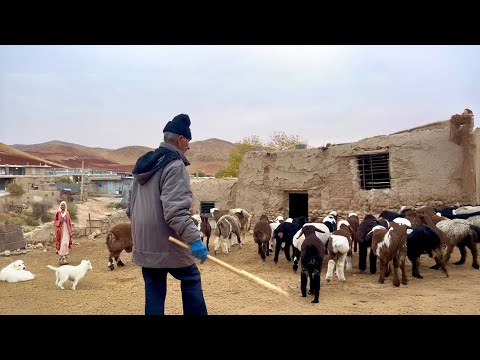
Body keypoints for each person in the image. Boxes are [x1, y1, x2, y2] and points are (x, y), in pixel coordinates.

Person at [127, 114, 209, 315]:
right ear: (181, 140)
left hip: (144, 243)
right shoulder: (174, 165)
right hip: (169, 241)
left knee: (154, 290)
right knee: (191, 279)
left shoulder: (144, 165)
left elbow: (129, 207)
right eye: (188, 141)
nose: (188, 146)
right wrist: (194, 240)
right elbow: (175, 211)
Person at [53, 200, 73, 265]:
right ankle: (62, 257)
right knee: (62, 243)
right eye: (62, 205)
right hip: (60, 231)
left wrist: (71, 231)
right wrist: (60, 221)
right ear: (60, 206)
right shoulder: (58, 213)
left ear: (65, 206)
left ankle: (64, 257)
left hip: (66, 230)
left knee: (66, 243)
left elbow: (69, 223)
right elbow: (55, 222)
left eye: (64, 205)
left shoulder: (67, 213)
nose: (63, 206)